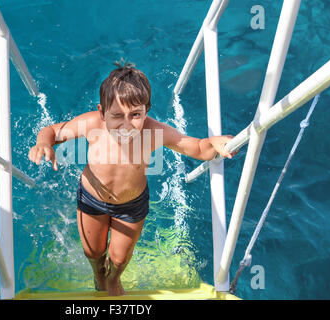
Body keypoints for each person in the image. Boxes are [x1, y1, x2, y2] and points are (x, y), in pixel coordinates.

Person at [28, 61, 237, 296]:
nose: (127, 124)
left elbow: (198, 148)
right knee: (93, 253)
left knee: (119, 258)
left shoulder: (154, 132)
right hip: (92, 199)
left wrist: (218, 142)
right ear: (102, 112)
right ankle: (99, 275)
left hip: (131, 205)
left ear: (146, 111)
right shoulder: (92, 123)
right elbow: (53, 131)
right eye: (117, 115)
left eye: (135, 115)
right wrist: (44, 144)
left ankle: (114, 278)